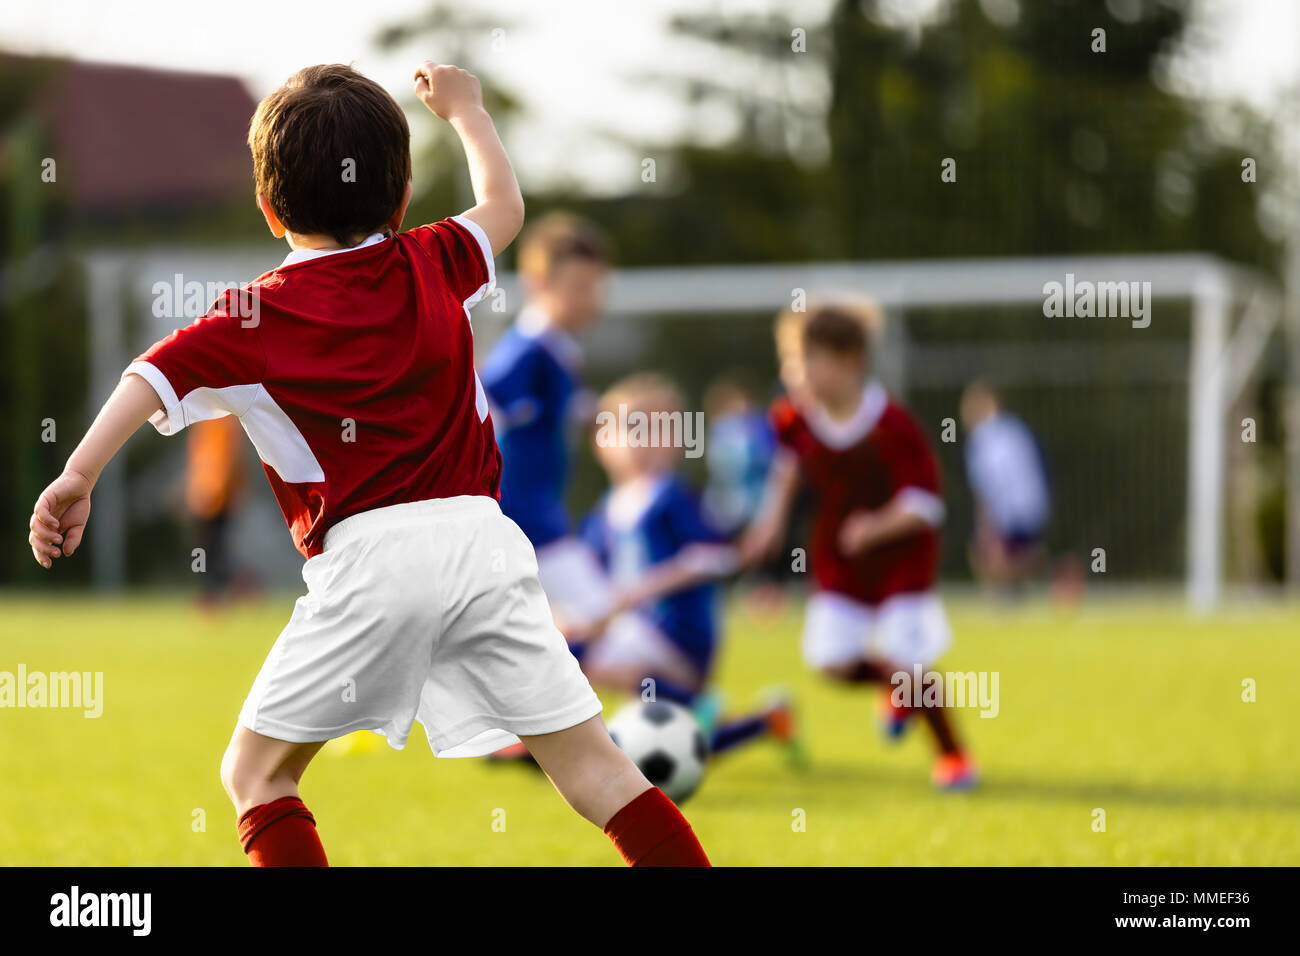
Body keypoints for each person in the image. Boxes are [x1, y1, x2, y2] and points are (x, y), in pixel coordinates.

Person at [27, 62, 708, 867]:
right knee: (597, 768)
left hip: (369, 561)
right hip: (488, 545)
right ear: (402, 191)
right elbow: (506, 207)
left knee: (257, 773)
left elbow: (148, 375)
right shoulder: (434, 260)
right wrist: (468, 112)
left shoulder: (254, 314)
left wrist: (79, 473)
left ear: (268, 204)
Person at [740, 302, 977, 789]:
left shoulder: (891, 423)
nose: (793, 374)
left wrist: (876, 526)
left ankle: (954, 758)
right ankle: (895, 689)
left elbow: (926, 502)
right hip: (839, 558)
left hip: (902, 559)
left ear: (850, 362)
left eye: (806, 361)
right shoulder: (792, 419)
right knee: (829, 661)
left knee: (909, 662)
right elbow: (789, 467)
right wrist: (771, 522)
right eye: (789, 361)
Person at [569, 374, 802, 762]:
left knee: (575, 658)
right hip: (634, 637)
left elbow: (713, 557)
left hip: (677, 635)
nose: (641, 441)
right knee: (684, 750)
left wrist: (638, 593)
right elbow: (589, 579)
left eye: (655, 429)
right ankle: (766, 720)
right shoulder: (605, 511)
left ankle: (695, 702)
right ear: (601, 443)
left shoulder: (672, 498)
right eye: (630, 428)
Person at [478, 213, 616, 636]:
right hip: (522, 514)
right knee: (599, 617)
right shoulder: (527, 353)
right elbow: (478, 401)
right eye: (578, 288)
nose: (591, 299)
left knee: (584, 623)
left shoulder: (559, 353)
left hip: (541, 513)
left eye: (595, 287)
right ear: (539, 284)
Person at [959, 380, 1051, 596]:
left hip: (1008, 510)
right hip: (1033, 506)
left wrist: (986, 526)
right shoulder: (1015, 429)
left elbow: (989, 487)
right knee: (1022, 555)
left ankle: (1002, 594)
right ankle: (1034, 578)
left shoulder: (981, 439)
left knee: (983, 553)